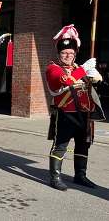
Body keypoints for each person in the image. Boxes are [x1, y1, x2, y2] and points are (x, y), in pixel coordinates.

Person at [46, 24, 105, 191]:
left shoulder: (80, 68)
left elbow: (98, 82)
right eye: (64, 53)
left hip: (85, 115)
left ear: (75, 54)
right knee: (61, 145)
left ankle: (80, 176)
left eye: (71, 53)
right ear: (58, 54)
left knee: (83, 145)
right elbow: (66, 80)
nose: (67, 56)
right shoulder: (53, 69)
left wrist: (95, 76)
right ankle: (55, 177)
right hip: (66, 114)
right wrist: (85, 69)